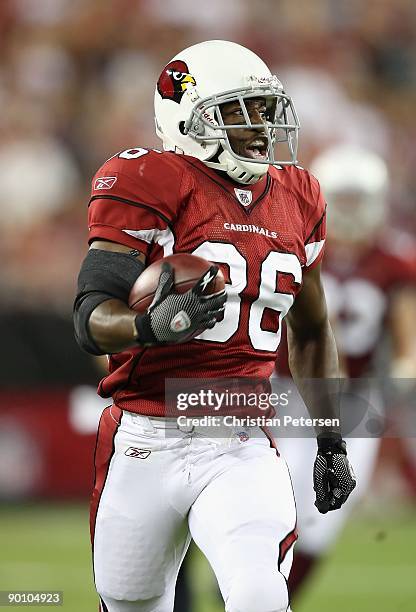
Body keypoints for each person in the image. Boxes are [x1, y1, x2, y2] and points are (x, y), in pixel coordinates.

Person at [73, 40, 356, 612]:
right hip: (143, 434)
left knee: (257, 595)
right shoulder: (150, 180)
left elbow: (310, 328)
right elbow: (90, 318)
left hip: (239, 438)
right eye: (237, 111)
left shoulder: (299, 195)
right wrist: (148, 326)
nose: (260, 127)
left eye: (264, 109)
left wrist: (331, 437)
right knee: (129, 602)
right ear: (186, 116)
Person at [276, 144, 416, 599]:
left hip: (355, 398)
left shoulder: (393, 261)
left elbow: (406, 331)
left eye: (360, 199)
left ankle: (275, 596)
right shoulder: (294, 247)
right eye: (345, 200)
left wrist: (406, 364)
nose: (353, 212)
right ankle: (255, 589)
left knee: (330, 510)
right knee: (284, 499)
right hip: (290, 390)